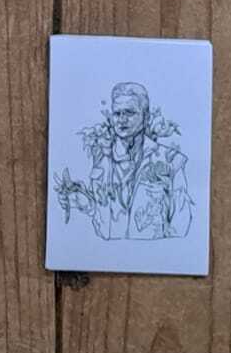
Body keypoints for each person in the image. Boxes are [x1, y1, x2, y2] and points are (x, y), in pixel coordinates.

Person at [76, 82, 193, 241]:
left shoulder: (170, 160)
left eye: (129, 113)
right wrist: (87, 207)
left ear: (146, 117)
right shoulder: (102, 162)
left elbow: (181, 223)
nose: (122, 119)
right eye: (117, 113)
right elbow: (99, 224)